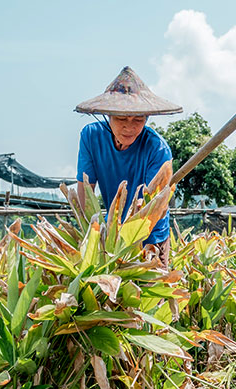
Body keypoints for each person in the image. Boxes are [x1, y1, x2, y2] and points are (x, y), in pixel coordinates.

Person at [74, 66, 182, 267]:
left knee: (151, 292)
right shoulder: (91, 137)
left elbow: (152, 206)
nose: (129, 127)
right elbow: (85, 189)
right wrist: (87, 232)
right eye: (122, 118)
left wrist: (131, 245)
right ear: (108, 116)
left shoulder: (157, 150)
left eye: (138, 120)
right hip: (111, 237)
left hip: (149, 235)